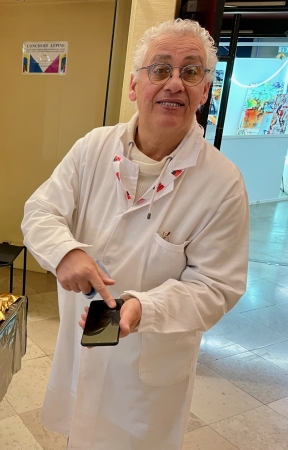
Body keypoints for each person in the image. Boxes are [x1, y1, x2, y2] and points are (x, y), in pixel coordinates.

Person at [21, 19, 249, 450]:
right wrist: (65, 251)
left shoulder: (222, 182)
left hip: (151, 364)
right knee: (81, 433)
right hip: (85, 342)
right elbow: (41, 210)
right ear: (133, 86)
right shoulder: (93, 147)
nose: (174, 84)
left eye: (191, 71)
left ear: (205, 90)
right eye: (160, 70)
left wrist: (146, 307)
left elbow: (218, 287)